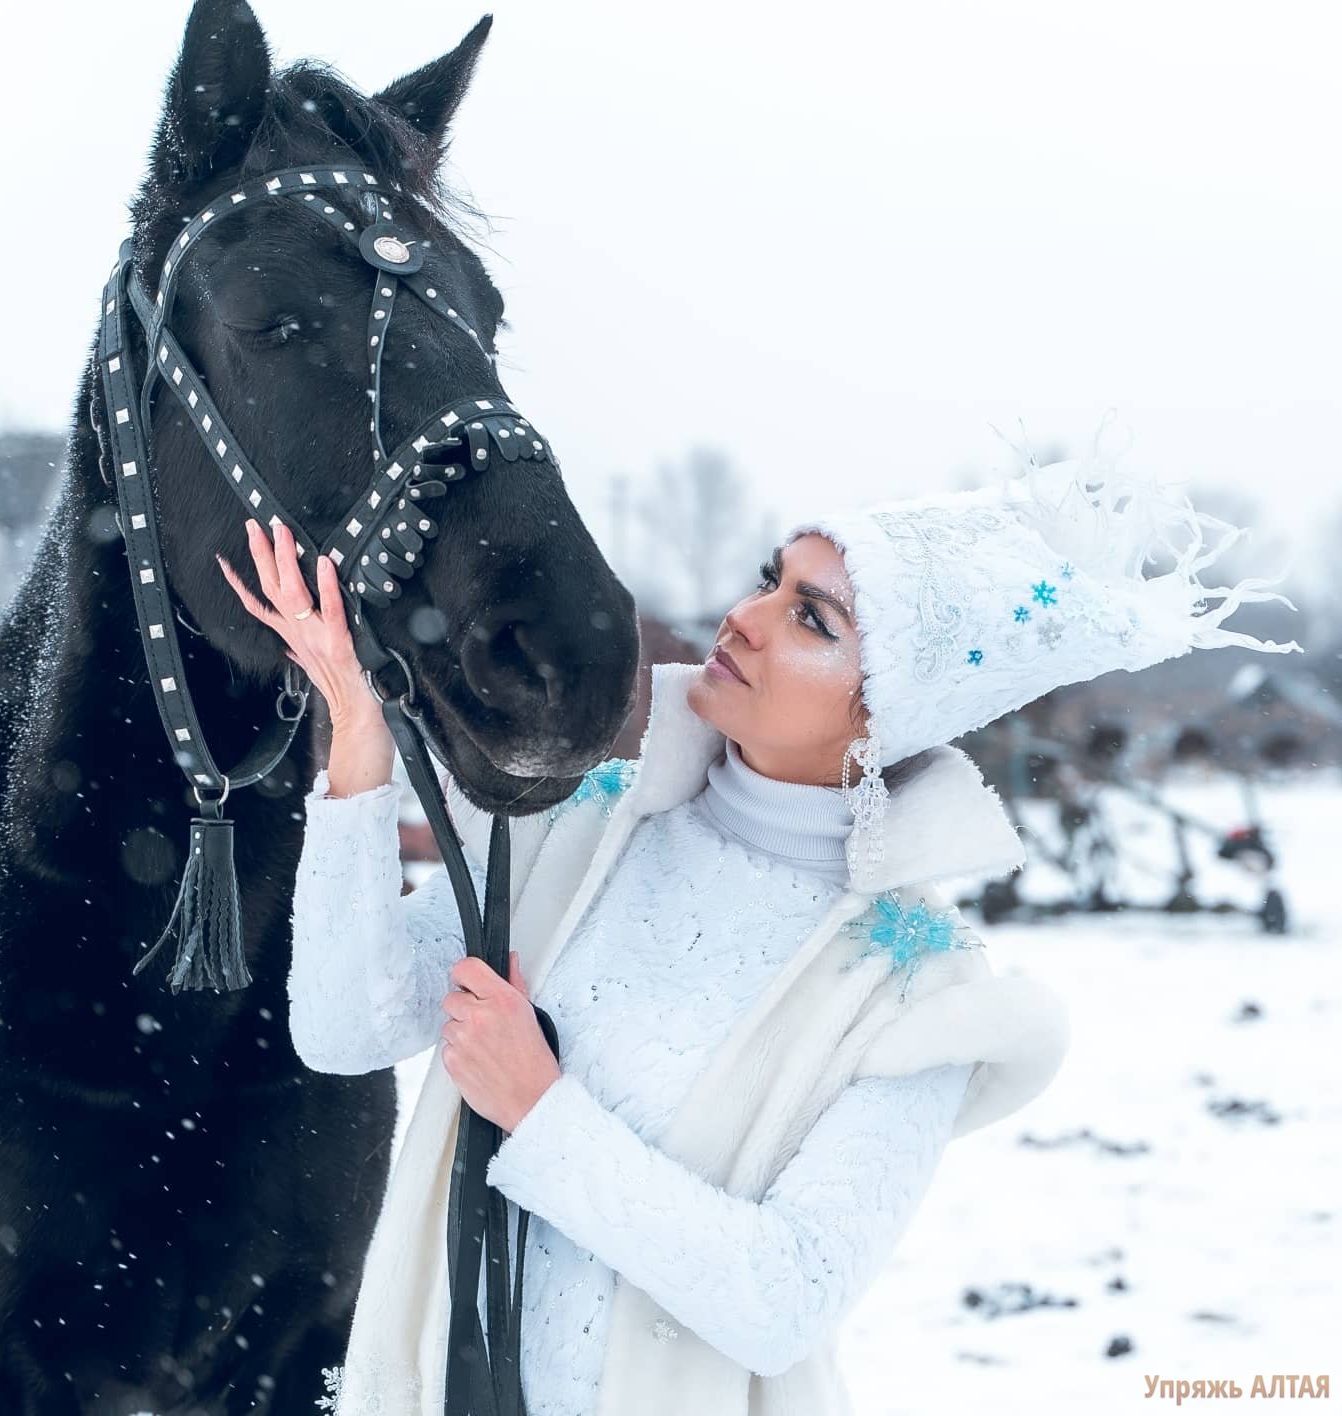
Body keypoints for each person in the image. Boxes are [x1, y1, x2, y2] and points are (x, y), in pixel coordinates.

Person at [217, 410, 1301, 1416]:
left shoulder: (916, 988)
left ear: (890, 710)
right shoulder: (583, 826)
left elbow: (784, 1298)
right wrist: (353, 736)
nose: (745, 618)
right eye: (770, 581)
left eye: (810, 617)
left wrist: (540, 1109)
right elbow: (346, 1027)